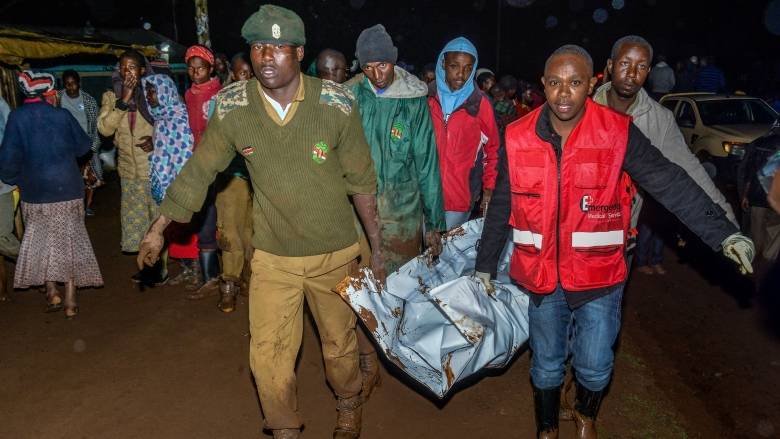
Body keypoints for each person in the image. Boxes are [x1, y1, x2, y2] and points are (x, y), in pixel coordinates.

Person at [475, 45, 754, 439]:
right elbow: (503, 199)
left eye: (575, 83)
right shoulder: (518, 136)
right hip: (541, 275)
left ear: (592, 84)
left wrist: (723, 232)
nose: (564, 94)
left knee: (594, 362)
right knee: (546, 364)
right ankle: (548, 428)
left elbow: (669, 181)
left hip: (600, 274)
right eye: (555, 83)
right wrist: (485, 264)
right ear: (543, 85)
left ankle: (586, 413)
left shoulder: (618, 132)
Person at [136, 5, 385, 438]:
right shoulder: (233, 108)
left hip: (334, 251)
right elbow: (200, 170)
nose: (267, 56)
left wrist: (376, 249)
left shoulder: (336, 103)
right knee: (266, 355)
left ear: (300, 53)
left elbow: (362, 180)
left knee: (339, 348)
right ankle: (284, 426)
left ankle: (348, 401)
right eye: (258, 47)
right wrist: (159, 227)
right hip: (272, 256)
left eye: (279, 47)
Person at [346, 24, 447, 399]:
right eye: (369, 67)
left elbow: (427, 164)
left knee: (396, 289)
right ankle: (369, 362)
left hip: (403, 211)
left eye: (383, 66)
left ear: (393, 61)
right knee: (361, 289)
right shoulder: (349, 96)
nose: (377, 74)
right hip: (357, 211)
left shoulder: (413, 99)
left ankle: (400, 357)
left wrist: (433, 222)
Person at [593, 35, 738, 277]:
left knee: (604, 315)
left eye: (640, 67)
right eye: (625, 64)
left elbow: (691, 172)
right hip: (571, 240)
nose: (631, 74)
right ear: (610, 65)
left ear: (648, 72)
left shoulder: (659, 120)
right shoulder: (583, 107)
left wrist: (728, 229)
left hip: (618, 243)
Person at [0, 71, 103, 318]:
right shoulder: (61, 115)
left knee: (41, 241)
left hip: (35, 193)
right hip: (67, 188)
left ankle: (52, 292)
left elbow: (8, 162)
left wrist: (13, 179)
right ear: (49, 92)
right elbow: (83, 147)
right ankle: (70, 300)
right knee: (67, 242)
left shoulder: (16, 118)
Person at [97, 50, 164, 283]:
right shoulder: (110, 96)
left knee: (157, 220)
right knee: (137, 222)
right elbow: (104, 129)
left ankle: (159, 268)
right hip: (128, 171)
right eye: (123, 67)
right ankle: (146, 266)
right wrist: (123, 101)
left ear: (143, 70)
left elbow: (172, 122)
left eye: (132, 67)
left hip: (155, 169)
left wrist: (156, 139)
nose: (128, 72)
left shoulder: (154, 92)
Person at [428, 37, 500, 229]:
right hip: (424, 196)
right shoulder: (426, 99)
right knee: (422, 255)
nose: (461, 74)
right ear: (443, 64)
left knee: (448, 254)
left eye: (468, 68)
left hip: (460, 198)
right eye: (454, 66)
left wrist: (488, 190)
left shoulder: (480, 104)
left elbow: (492, 151)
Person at [171, 45, 224, 296]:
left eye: (200, 68)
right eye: (191, 69)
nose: (195, 73)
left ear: (210, 69)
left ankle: (214, 276)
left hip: (215, 161)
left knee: (210, 214)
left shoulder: (218, 94)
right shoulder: (190, 94)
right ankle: (207, 273)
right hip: (196, 160)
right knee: (202, 214)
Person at [57, 70, 103, 216]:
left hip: (86, 145)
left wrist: (92, 149)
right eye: (67, 84)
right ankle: (72, 208)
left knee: (91, 178)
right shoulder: (57, 99)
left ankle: (86, 206)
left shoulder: (89, 101)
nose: (71, 87)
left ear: (79, 83)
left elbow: (96, 128)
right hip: (66, 146)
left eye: (73, 84)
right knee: (70, 179)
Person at [740, 124, 780, 283]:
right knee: (774, 240)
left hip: (757, 197)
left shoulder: (760, 143)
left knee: (756, 237)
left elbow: (750, 170)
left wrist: (745, 194)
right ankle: (763, 275)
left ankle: (750, 271)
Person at [0, 95, 19, 261]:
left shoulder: (1, 105)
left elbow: (11, 136)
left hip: (2, 180)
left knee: (2, 236)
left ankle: (33, 268)